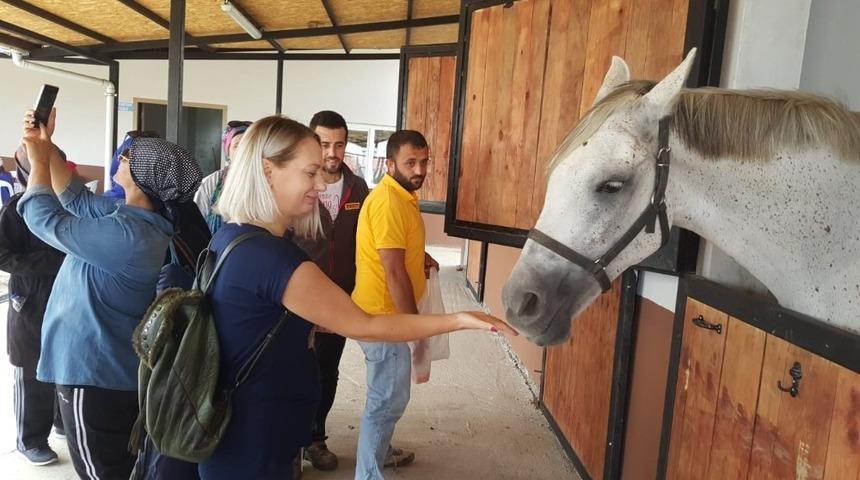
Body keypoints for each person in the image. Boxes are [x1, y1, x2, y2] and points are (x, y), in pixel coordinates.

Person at [198, 115, 514, 480]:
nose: (320, 184)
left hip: (242, 428)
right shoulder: (273, 260)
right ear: (268, 171)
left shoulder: (234, 235)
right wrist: (460, 320)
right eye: (310, 172)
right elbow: (366, 324)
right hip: (253, 441)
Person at [17, 108, 202, 479]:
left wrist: (35, 162)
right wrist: (44, 143)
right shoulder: (131, 216)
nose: (121, 157)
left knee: (101, 471)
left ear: (142, 177)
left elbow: (44, 218)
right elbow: (74, 197)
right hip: (102, 372)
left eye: (129, 156)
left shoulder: (130, 236)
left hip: (93, 376)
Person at [352, 130, 440, 479]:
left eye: (424, 162)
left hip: (384, 312)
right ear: (389, 165)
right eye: (410, 163)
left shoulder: (401, 195)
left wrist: (421, 256)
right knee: (388, 398)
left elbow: (397, 252)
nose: (419, 170)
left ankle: (382, 450)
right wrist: (414, 326)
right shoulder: (389, 202)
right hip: (384, 316)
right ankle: (368, 474)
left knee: (386, 391)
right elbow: (393, 272)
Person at [288, 110, 369, 471]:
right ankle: (290, 443)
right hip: (299, 297)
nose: (332, 152)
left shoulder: (359, 188)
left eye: (339, 144)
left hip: (340, 299)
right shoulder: (299, 185)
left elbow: (374, 236)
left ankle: (316, 439)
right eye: (324, 144)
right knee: (289, 367)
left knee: (326, 371)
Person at [0, 146, 67, 466]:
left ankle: (60, 420)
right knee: (31, 368)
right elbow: (3, 255)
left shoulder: (69, 204)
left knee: (63, 359)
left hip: (65, 295)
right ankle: (31, 439)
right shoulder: (17, 209)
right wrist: (48, 262)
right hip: (30, 298)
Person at [194, 120, 251, 233]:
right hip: (217, 248)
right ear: (228, 152)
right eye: (236, 146)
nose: (243, 151)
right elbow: (197, 224)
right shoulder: (212, 183)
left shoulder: (267, 181)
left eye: (248, 145)